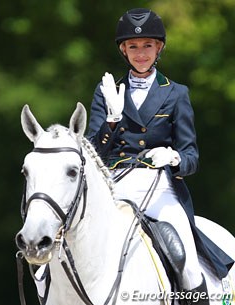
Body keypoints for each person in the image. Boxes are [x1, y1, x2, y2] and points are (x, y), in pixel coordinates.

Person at [87, 8, 233, 304]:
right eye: (133, 47)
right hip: (114, 188)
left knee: (187, 261)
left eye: (147, 46)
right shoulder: (106, 91)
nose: (141, 53)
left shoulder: (176, 93)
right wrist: (111, 122)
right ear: (123, 50)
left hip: (160, 190)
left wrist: (174, 158)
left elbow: (191, 156)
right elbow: (92, 154)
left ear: (159, 48)